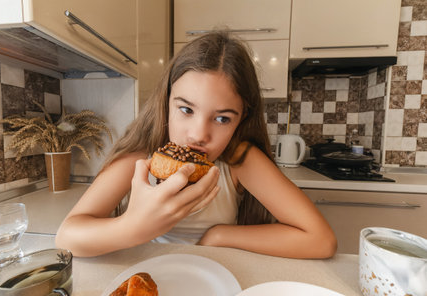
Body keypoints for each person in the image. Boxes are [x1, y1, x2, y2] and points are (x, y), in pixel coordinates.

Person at [55, 31, 337, 258]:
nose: (199, 134)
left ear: (242, 120)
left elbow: (321, 240)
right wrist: (133, 227)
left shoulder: (239, 160)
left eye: (223, 118)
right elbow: (67, 237)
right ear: (166, 102)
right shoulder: (142, 157)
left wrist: (218, 236)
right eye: (187, 110)